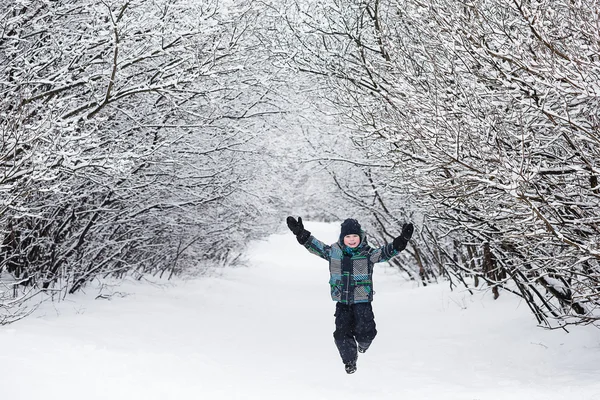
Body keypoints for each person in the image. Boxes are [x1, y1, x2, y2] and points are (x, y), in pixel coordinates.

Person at [286, 216, 414, 374]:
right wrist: (300, 233)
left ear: (360, 237)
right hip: (342, 301)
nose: (352, 239)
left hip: (362, 301)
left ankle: (363, 345)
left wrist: (401, 241)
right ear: (342, 237)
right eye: (348, 236)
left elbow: (386, 252)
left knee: (367, 333)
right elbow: (316, 247)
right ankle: (350, 362)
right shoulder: (333, 252)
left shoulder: (367, 254)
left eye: (355, 236)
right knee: (341, 335)